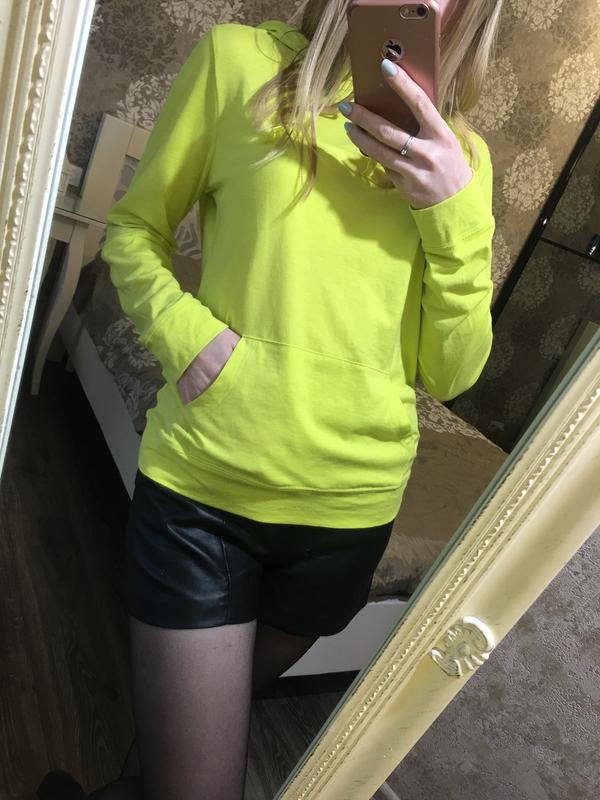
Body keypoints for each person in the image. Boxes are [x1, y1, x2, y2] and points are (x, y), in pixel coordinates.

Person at [37, 1, 504, 798]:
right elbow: (135, 230)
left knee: (180, 750)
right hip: (208, 492)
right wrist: (189, 339)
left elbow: (451, 372)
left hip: (350, 512)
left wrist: (452, 211)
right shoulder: (238, 64)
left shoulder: (463, 160)